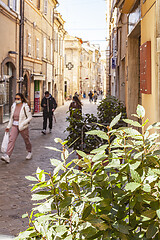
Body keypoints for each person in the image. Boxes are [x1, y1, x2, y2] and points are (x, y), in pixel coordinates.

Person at [1, 93, 32, 164]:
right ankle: (7, 156)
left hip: (22, 126)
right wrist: (8, 127)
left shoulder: (25, 107)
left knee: (26, 140)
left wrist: (23, 123)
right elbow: (11, 118)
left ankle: (29, 151)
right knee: (11, 140)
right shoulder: (13, 106)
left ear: (22, 99)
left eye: (18, 99)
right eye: (15, 99)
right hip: (14, 126)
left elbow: (30, 117)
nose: (16, 100)